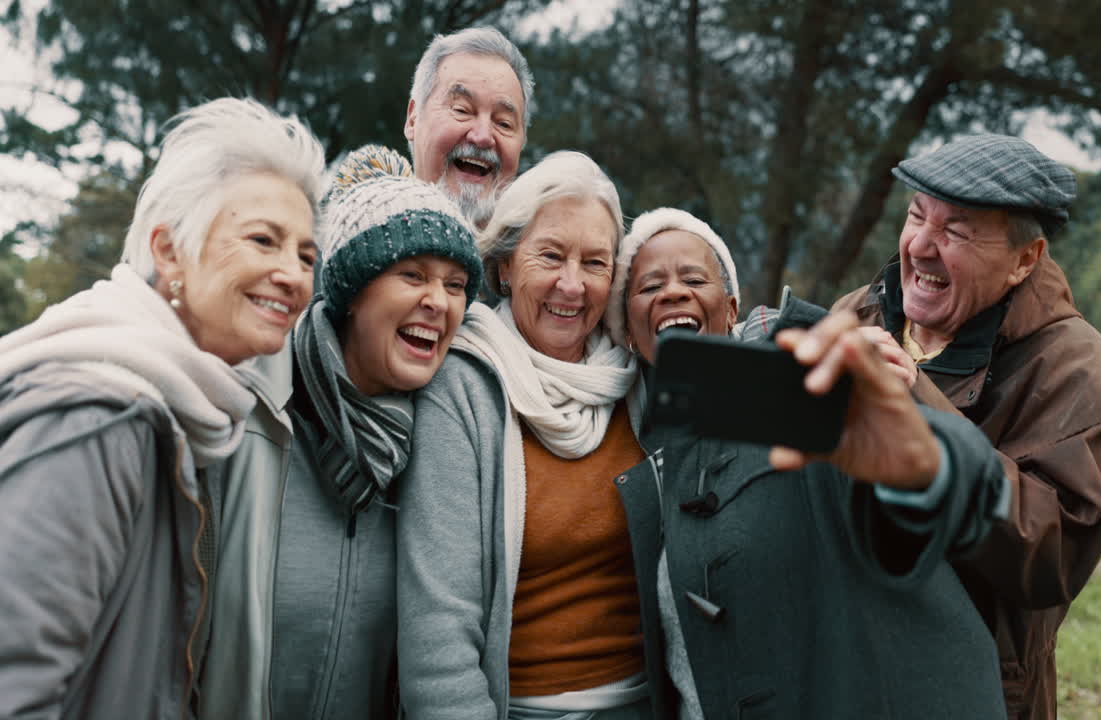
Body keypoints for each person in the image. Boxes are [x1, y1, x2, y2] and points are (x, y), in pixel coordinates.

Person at [606, 207, 1010, 718]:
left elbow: (952, 490)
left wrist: (926, 467)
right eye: (648, 287)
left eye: (694, 278)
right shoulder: (639, 457)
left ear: (730, 308)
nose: (672, 292)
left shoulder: (800, 391)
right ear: (627, 331)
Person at [831, 134, 1101, 720]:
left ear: (1026, 259)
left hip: (975, 687)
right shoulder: (861, 311)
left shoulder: (1081, 376)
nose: (920, 245)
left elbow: (1051, 558)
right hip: (843, 662)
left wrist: (919, 409)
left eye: (958, 231)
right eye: (917, 215)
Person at [0, 97, 326, 720]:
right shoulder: (98, 423)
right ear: (170, 252)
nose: (293, 275)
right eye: (264, 240)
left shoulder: (194, 411)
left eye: (307, 256)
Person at [199, 145, 485, 720]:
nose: (437, 301)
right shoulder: (251, 412)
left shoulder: (442, 447)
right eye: (412, 275)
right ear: (352, 295)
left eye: (455, 285)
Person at [397, 151, 653, 720]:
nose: (571, 284)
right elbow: (438, 630)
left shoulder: (634, 384)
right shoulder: (463, 387)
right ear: (506, 265)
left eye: (595, 263)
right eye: (551, 256)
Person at [404, 25, 534, 228]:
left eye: (503, 123)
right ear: (413, 119)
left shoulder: (544, 254)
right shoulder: (357, 242)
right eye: (461, 110)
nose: (483, 137)